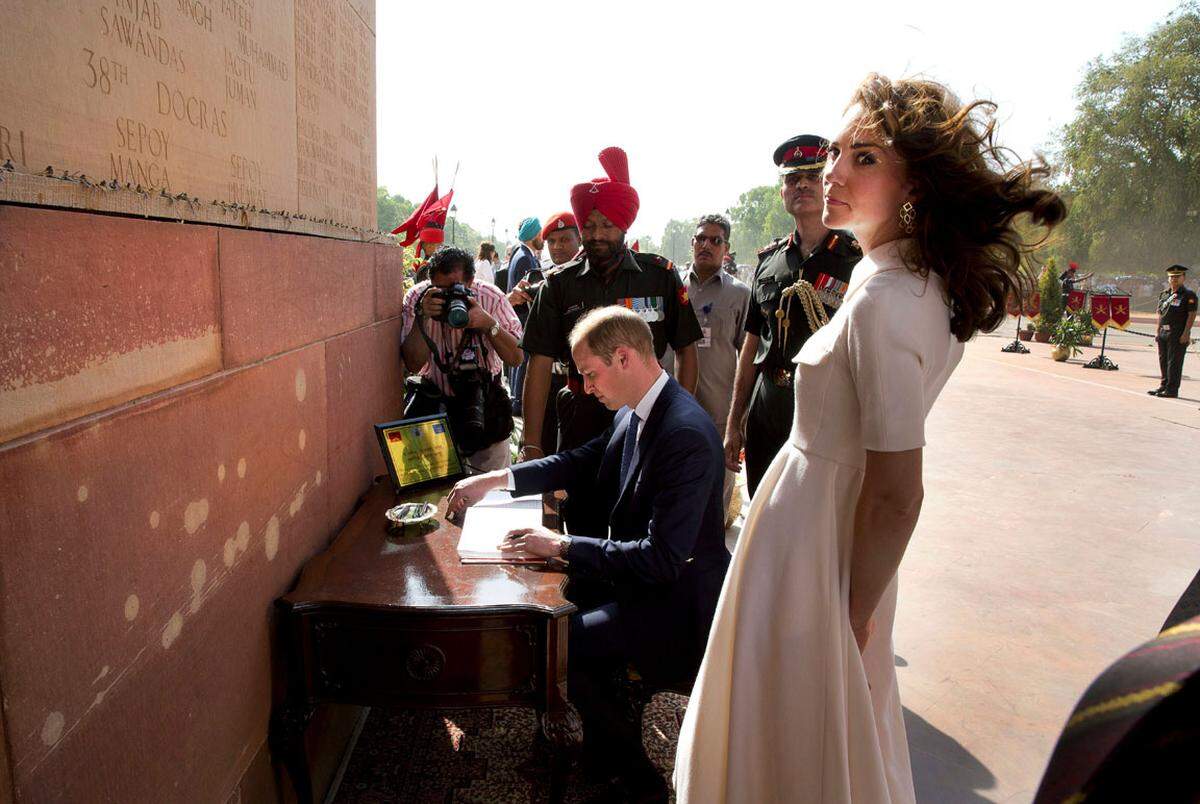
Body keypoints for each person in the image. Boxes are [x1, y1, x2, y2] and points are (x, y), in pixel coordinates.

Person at [674, 73, 1066, 803]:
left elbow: (897, 491)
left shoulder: (888, 298)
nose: (833, 172)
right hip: (813, 534)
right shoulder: (897, 278)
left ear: (913, 182)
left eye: (864, 157)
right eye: (836, 154)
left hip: (818, 549)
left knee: (799, 739)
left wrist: (846, 614)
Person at [447, 306, 729, 801]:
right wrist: (498, 479)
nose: (586, 386)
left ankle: (635, 776)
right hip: (640, 582)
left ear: (623, 357)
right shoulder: (638, 409)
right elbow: (580, 460)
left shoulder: (682, 432)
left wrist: (562, 546)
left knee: (552, 647)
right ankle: (601, 742)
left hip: (674, 606)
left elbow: (662, 559)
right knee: (550, 615)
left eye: (589, 374)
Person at [518, 147, 702, 533]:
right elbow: (537, 363)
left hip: (646, 419)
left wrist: (680, 413)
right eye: (589, 226)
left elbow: (686, 347)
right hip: (581, 418)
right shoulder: (558, 286)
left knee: (641, 520)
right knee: (582, 519)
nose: (597, 235)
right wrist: (532, 443)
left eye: (607, 225)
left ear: (624, 225)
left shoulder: (660, 276)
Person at [725, 134, 862, 496]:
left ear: (828, 183)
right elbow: (751, 345)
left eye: (813, 176)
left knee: (813, 522)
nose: (801, 184)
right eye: (791, 179)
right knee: (763, 509)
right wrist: (734, 423)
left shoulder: (855, 260)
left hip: (826, 413)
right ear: (783, 191)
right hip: (768, 409)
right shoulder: (768, 263)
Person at [399, 246, 525, 472]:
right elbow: (413, 364)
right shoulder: (419, 298)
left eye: (455, 290)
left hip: (486, 408)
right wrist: (423, 317)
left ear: (471, 282)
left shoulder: (491, 297)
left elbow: (516, 357)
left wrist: (489, 324)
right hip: (437, 408)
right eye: (441, 290)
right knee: (438, 494)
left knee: (490, 493)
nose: (448, 298)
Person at [677, 214, 751, 523]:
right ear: (692, 243)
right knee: (675, 487)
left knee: (716, 494)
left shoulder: (740, 294)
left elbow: (748, 355)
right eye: (701, 239)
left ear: (726, 248)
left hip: (719, 412)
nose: (706, 245)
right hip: (676, 407)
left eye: (715, 240)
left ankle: (713, 562)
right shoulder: (673, 287)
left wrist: (740, 418)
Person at [512, 211, 582, 456]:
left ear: (579, 240)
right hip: (548, 380)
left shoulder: (588, 279)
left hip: (579, 383)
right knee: (545, 450)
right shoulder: (543, 278)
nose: (557, 247)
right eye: (551, 241)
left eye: (565, 240)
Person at [505, 217, 545, 415]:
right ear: (534, 234)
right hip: (524, 317)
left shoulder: (519, 254)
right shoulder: (524, 258)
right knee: (523, 359)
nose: (542, 237)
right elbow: (527, 293)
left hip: (518, 317)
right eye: (540, 233)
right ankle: (518, 401)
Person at [1149, 264, 1195, 398]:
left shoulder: (1188, 295)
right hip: (1163, 331)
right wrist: (1157, 331)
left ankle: (1172, 389)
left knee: (1174, 362)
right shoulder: (1164, 294)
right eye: (1171, 277)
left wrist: (1186, 332)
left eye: (1177, 277)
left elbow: (1191, 314)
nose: (1174, 279)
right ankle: (1164, 385)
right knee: (1163, 360)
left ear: (1183, 278)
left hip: (1178, 333)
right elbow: (1160, 314)